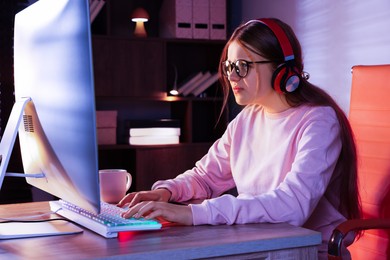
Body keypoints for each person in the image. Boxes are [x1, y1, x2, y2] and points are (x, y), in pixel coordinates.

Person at [118, 18, 361, 259]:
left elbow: (293, 206)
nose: (232, 77)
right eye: (229, 67)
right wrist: (167, 192)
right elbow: (205, 177)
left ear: (282, 70)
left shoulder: (319, 122)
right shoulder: (248, 118)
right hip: (258, 244)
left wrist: (194, 214)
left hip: (303, 252)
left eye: (242, 66)